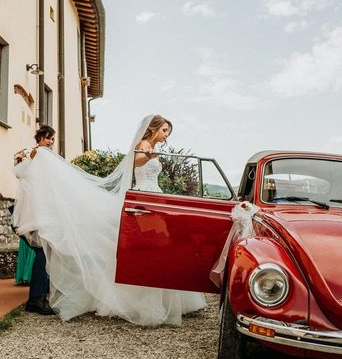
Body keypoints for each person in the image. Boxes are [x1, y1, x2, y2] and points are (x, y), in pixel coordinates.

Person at [12, 115, 205, 326]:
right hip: (143, 195)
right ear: (154, 129)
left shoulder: (153, 147)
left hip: (155, 194)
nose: (166, 135)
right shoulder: (143, 145)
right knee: (147, 247)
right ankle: (140, 299)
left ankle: (161, 297)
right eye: (165, 130)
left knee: (158, 247)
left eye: (168, 131)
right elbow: (135, 162)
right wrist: (149, 156)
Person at [12, 125, 57, 315]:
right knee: (42, 253)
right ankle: (36, 299)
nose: (51, 142)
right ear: (39, 138)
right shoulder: (34, 153)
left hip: (42, 209)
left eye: (53, 139)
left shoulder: (43, 156)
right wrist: (24, 159)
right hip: (35, 211)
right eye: (48, 138)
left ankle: (40, 296)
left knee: (46, 252)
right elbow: (19, 173)